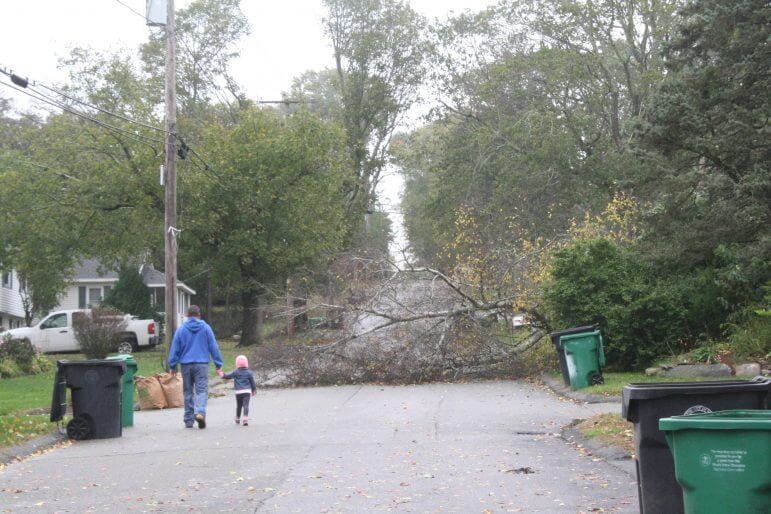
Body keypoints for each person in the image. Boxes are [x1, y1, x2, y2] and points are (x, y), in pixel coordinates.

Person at [168, 305, 223, 429]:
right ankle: (200, 412)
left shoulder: (181, 329)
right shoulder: (206, 328)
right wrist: (218, 364)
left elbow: (175, 348)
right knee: (201, 390)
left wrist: (172, 365)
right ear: (199, 315)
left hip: (186, 365)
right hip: (201, 364)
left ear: (187, 315)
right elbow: (213, 346)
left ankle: (188, 420)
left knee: (187, 392)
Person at [217, 355, 257, 426]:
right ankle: (245, 419)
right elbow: (252, 382)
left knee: (239, 406)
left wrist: (222, 374)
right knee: (246, 405)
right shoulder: (249, 372)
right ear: (246, 363)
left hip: (238, 392)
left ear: (237, 364)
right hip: (247, 391)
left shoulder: (236, 372)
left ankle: (238, 418)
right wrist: (254, 390)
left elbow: (227, 376)